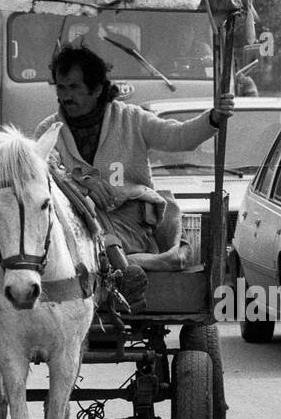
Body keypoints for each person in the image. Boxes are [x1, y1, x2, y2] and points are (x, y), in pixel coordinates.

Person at [37, 44, 233, 273]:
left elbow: (179, 137)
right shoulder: (48, 130)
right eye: (61, 87)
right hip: (75, 222)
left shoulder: (131, 118)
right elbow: (46, 169)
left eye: (74, 87)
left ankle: (113, 259)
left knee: (95, 250)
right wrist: (84, 184)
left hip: (131, 222)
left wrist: (214, 118)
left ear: (97, 89)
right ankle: (122, 260)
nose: (65, 96)